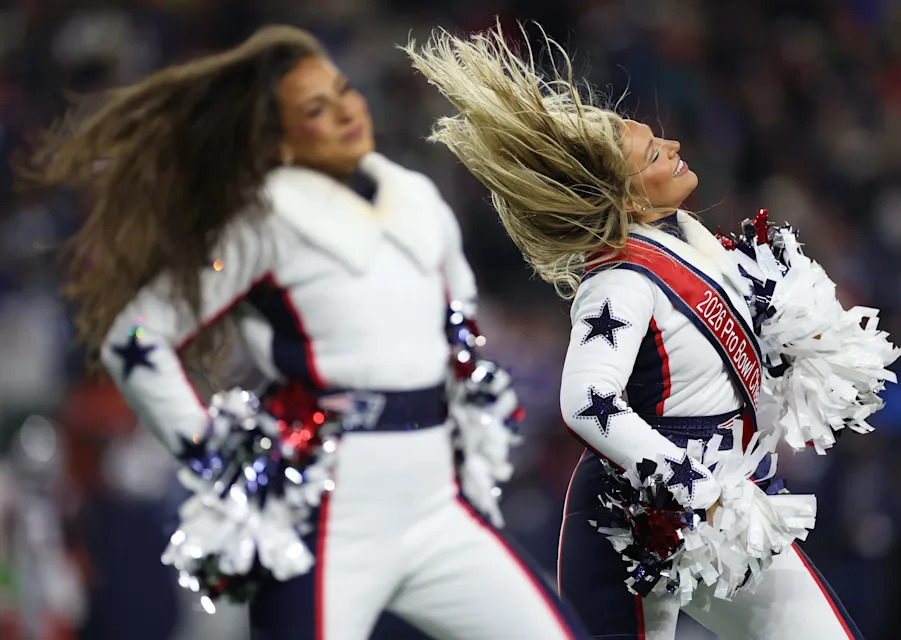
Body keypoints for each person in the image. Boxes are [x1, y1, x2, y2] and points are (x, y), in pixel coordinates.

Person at [26, 25, 584, 640]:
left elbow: (461, 339)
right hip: (328, 516)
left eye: (344, 91)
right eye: (315, 109)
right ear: (280, 138)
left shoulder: (418, 198)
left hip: (437, 503)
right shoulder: (260, 222)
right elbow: (137, 341)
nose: (346, 110)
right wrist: (211, 455)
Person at [406, 24, 864, 640]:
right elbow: (586, 405)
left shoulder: (694, 247)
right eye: (653, 154)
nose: (673, 145)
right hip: (634, 528)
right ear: (623, 196)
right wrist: (683, 479)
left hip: (728, 504)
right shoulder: (619, 282)